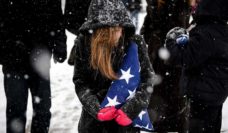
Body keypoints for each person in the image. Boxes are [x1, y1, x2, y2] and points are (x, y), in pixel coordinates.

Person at [71, 0, 155, 132]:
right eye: (108, 32)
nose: (116, 35)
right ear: (98, 33)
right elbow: (80, 82)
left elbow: (148, 80)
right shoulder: (84, 43)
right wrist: (96, 108)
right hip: (93, 125)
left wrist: (131, 109)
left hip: (126, 126)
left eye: (118, 29)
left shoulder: (135, 44)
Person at [0, 0, 66, 132]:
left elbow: (56, 17)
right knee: (16, 111)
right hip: (13, 58)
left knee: (42, 110)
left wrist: (60, 46)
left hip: (40, 57)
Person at [165, 0, 228, 132]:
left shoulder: (206, 32)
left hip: (203, 96)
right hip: (214, 93)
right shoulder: (220, 28)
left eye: (198, 2)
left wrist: (171, 41)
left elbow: (183, 57)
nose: (193, 5)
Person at [140, 0, 191, 132]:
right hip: (171, 60)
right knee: (174, 103)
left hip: (162, 60)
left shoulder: (157, 5)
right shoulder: (182, 5)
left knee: (161, 104)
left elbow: (146, 31)